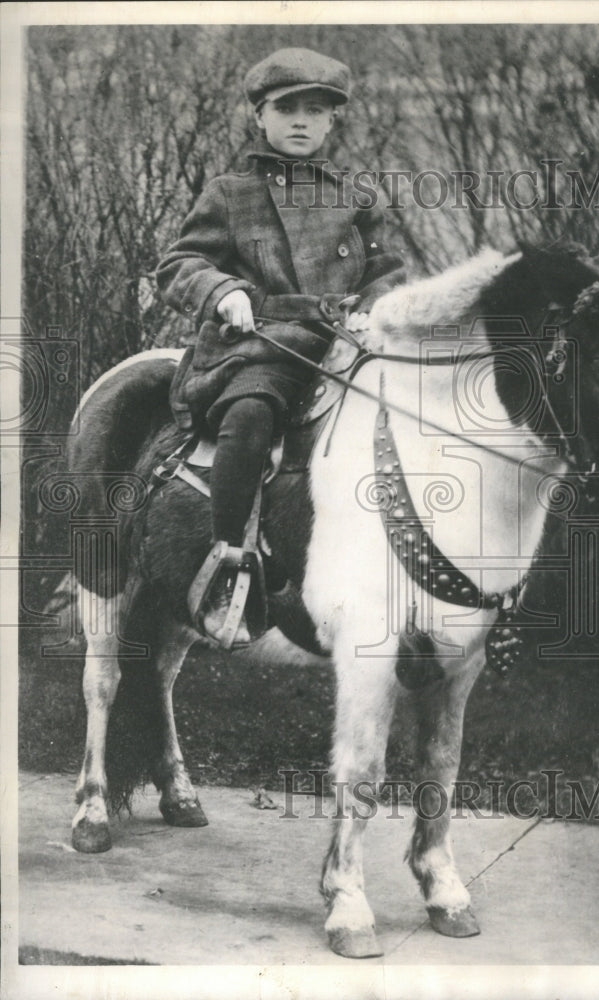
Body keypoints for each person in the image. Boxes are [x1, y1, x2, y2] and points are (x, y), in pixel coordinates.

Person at [156, 47, 405, 644]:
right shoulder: (230, 191)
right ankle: (229, 563)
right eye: (286, 108)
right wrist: (222, 291)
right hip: (258, 345)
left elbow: (388, 268)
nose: (301, 121)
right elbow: (180, 263)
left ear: (332, 122)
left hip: (343, 342)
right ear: (259, 117)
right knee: (251, 414)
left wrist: (375, 309)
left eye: (316, 110)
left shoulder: (356, 193)